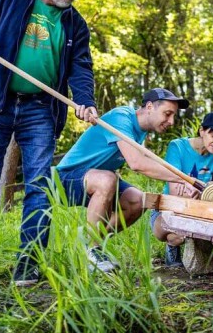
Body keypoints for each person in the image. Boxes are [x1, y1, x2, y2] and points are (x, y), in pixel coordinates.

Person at [0, 0, 98, 288]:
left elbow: (81, 68)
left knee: (39, 186)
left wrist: (86, 101)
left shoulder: (75, 24)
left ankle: (29, 263)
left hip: (40, 110)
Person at [55, 88, 202, 273]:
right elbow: (137, 163)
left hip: (96, 178)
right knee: (109, 179)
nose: (171, 121)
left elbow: (146, 161)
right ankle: (92, 251)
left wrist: (183, 181)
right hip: (66, 178)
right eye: (167, 114)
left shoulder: (140, 131)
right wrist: (184, 179)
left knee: (139, 200)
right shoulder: (121, 117)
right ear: (149, 107)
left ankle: (89, 245)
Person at [150, 112, 213, 267]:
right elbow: (175, 193)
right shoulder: (177, 147)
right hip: (169, 209)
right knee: (178, 235)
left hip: (200, 211)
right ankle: (172, 245)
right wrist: (206, 191)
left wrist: (206, 192)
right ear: (202, 130)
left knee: (200, 230)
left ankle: (199, 253)